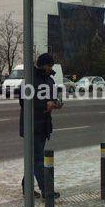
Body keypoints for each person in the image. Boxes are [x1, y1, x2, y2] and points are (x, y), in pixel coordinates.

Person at [19, 53, 63, 199]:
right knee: (38, 159)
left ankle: (27, 187)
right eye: (49, 65)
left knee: (34, 159)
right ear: (43, 65)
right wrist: (45, 104)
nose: (51, 68)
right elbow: (25, 102)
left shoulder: (50, 80)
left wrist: (56, 103)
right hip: (32, 125)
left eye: (52, 65)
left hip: (43, 125)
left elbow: (53, 97)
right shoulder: (30, 80)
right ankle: (46, 190)